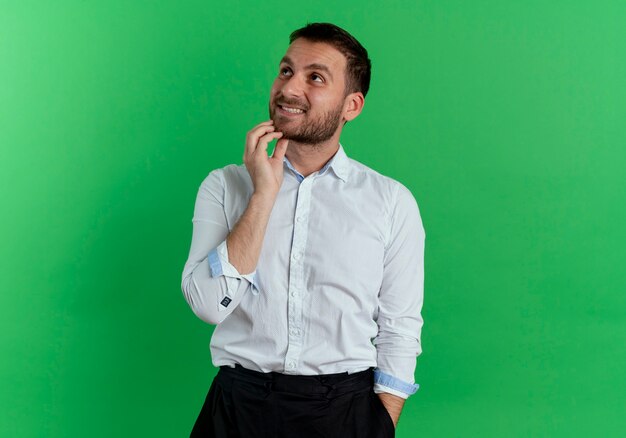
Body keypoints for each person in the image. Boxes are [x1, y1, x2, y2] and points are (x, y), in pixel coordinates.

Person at [181, 22, 425, 438]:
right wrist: (262, 196)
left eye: (315, 77)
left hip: (345, 412)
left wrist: (382, 423)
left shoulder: (390, 201)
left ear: (351, 106)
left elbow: (400, 325)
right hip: (237, 408)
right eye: (286, 70)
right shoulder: (224, 186)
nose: (290, 89)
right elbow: (208, 306)